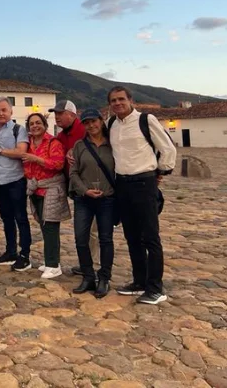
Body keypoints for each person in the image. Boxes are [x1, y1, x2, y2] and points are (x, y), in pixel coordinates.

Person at [107, 86, 176, 305]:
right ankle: (139, 281)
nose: (117, 103)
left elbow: (168, 148)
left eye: (121, 99)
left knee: (150, 237)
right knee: (132, 236)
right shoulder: (111, 124)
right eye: (113, 100)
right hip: (122, 184)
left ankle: (156, 287)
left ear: (130, 100)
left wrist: (161, 171)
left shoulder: (146, 120)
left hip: (144, 183)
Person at [69, 108, 116, 298]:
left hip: (107, 199)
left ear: (101, 120)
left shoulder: (113, 144)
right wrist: (84, 190)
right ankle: (88, 276)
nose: (91, 126)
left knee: (106, 239)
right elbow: (73, 173)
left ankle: (104, 278)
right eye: (86, 123)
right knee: (81, 238)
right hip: (84, 199)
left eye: (93, 121)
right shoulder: (80, 146)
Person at [0, 98, 32, 272]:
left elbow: (21, 152)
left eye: (4, 110)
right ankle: (10, 251)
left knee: (21, 218)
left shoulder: (18, 130)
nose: (1, 114)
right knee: (6, 219)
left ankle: (25, 254)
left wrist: (0, 150)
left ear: (11, 111)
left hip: (16, 180)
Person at [23, 113, 70, 279]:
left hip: (50, 188)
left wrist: (36, 159)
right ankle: (51, 260)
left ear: (45, 124)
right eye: (31, 123)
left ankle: (53, 265)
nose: (35, 126)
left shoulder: (53, 142)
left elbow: (58, 164)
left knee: (51, 227)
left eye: (38, 123)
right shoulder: (27, 143)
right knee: (44, 226)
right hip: (36, 189)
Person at [50, 99, 94, 277]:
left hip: (92, 184)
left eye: (60, 113)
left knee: (94, 229)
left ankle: (94, 266)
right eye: (55, 114)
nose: (57, 117)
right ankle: (86, 264)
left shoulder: (85, 130)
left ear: (72, 115)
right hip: (75, 187)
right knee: (82, 229)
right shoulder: (60, 136)